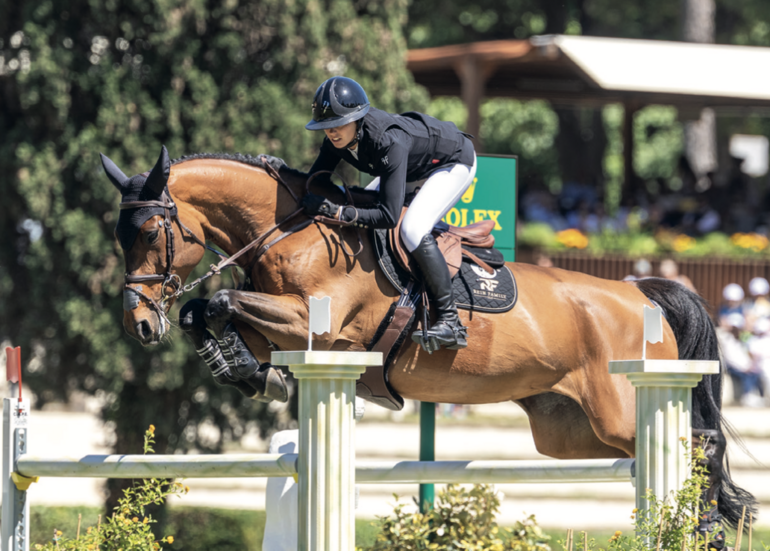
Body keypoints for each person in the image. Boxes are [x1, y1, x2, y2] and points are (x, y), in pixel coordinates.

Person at [301, 76, 476, 351]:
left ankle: (451, 322)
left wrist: (338, 212)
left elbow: (388, 215)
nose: (332, 132)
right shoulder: (336, 140)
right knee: (360, 201)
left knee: (412, 228)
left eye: (337, 124)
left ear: (358, 118)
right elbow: (314, 183)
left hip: (450, 162)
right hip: (408, 166)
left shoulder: (388, 141)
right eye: (325, 127)